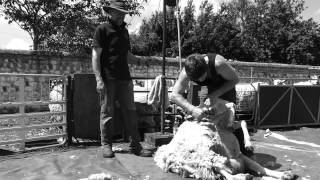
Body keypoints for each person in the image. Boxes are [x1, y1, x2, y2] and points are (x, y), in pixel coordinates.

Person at [91, 0, 152, 158]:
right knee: (107, 113)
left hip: (125, 79)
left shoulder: (125, 32)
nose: (120, 15)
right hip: (108, 79)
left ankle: (135, 146)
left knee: (131, 112)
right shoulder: (102, 29)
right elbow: (95, 55)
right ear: (110, 12)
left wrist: (139, 60)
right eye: (117, 12)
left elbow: (126, 55)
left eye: (123, 13)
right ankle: (106, 145)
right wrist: (98, 79)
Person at [171, 53, 254, 157]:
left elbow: (235, 79)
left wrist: (215, 94)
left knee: (228, 123)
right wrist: (191, 109)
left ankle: (244, 149)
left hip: (226, 86)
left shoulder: (219, 64)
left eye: (201, 77)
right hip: (210, 89)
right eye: (195, 80)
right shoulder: (186, 72)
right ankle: (213, 152)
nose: (200, 81)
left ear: (206, 68)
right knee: (209, 120)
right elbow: (174, 95)